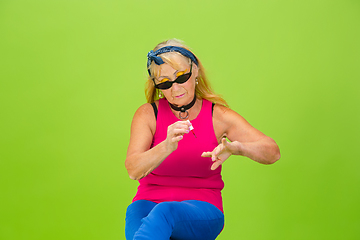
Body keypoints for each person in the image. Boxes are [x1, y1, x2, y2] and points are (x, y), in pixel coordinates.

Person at [125, 39, 281, 240]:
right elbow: (133, 170)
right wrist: (166, 146)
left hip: (202, 207)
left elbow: (272, 152)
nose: (175, 88)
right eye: (165, 82)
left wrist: (238, 148)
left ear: (195, 70)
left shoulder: (218, 116)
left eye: (181, 77)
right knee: (137, 214)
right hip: (147, 203)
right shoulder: (148, 114)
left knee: (165, 212)